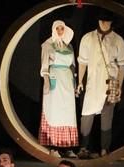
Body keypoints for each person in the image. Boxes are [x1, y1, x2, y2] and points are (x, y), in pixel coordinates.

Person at [75, 11, 124, 158]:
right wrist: (79, 81)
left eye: (108, 21)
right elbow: (82, 62)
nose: (105, 23)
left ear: (111, 22)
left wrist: (119, 87)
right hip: (92, 83)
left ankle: (105, 148)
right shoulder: (88, 38)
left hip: (110, 82)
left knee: (107, 116)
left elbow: (122, 66)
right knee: (87, 115)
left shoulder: (118, 40)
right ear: (98, 21)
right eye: (102, 20)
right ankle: (84, 147)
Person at [39, 20, 79, 158]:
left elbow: (73, 66)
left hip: (67, 81)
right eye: (58, 28)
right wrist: (46, 81)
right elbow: (44, 65)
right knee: (54, 112)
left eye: (62, 28)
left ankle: (68, 147)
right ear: (53, 29)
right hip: (54, 78)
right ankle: (53, 146)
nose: (60, 31)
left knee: (68, 114)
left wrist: (75, 83)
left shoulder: (69, 46)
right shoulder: (48, 44)